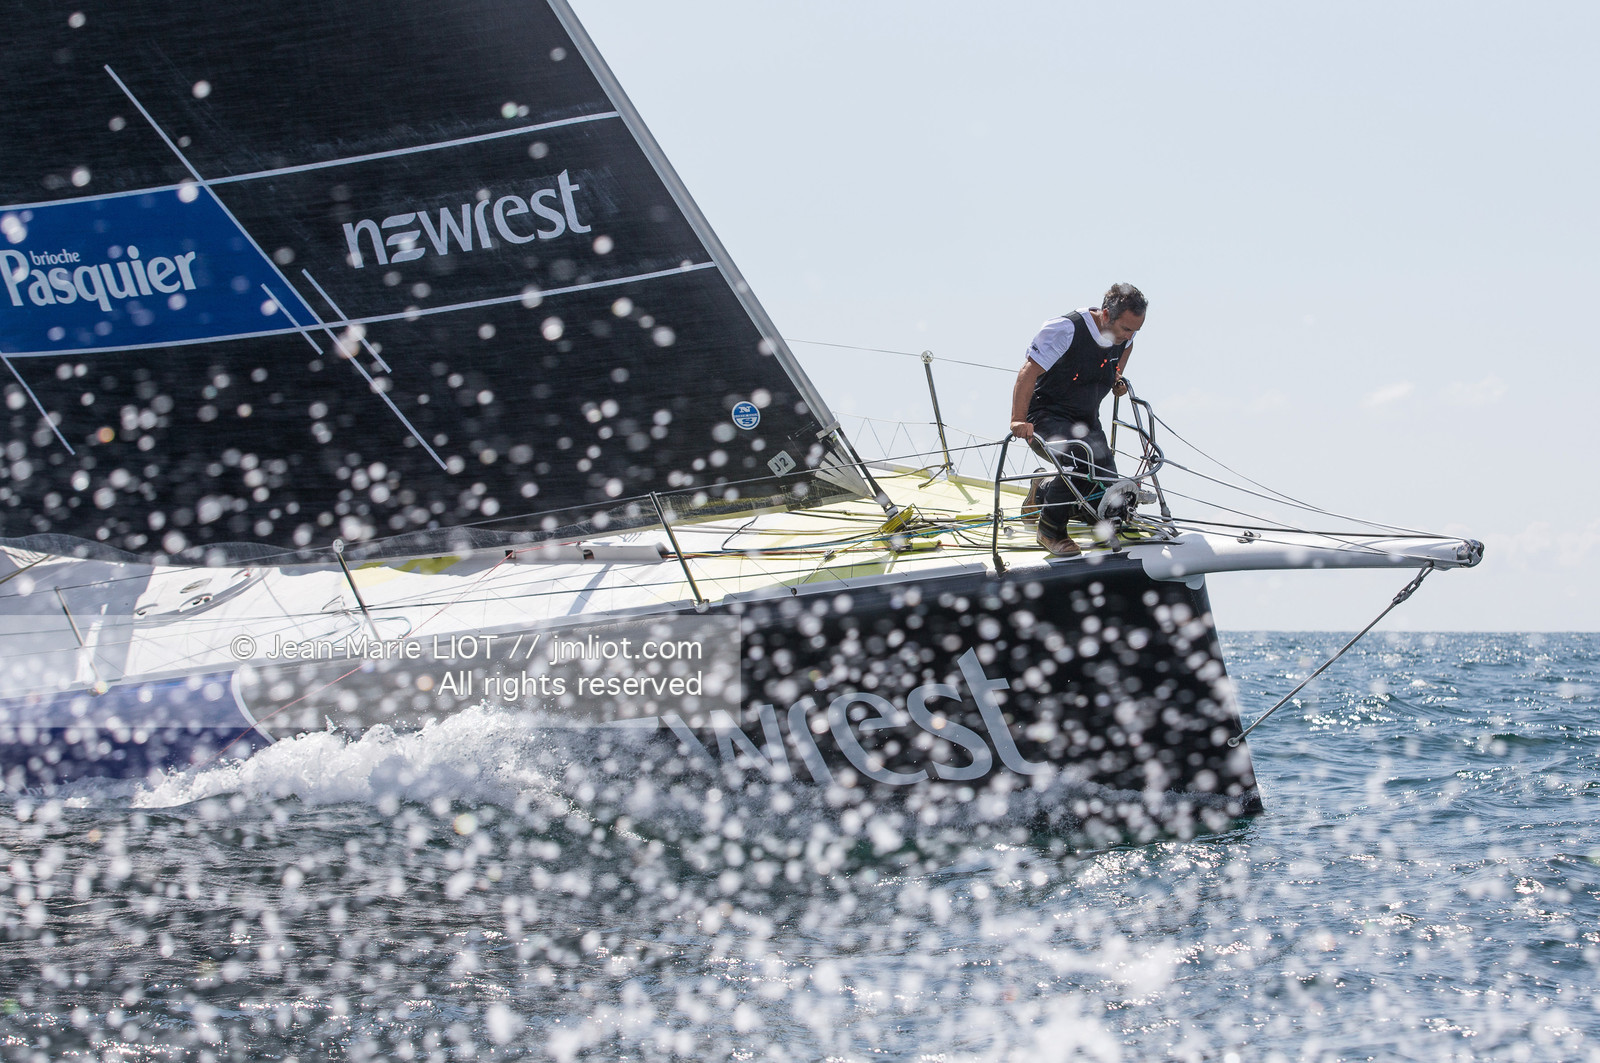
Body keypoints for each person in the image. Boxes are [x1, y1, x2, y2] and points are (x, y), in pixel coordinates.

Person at [1009, 283, 1147, 556]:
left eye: (1136, 331)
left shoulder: (1125, 337)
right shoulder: (1065, 329)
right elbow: (1028, 371)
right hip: (1047, 417)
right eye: (1126, 329)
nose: (1129, 336)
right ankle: (1050, 531)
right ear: (1106, 315)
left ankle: (1043, 492)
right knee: (1078, 463)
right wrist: (1017, 420)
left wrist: (1116, 377)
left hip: (1086, 420)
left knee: (1107, 496)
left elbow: (1122, 353)